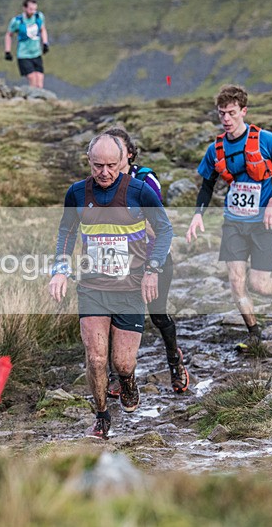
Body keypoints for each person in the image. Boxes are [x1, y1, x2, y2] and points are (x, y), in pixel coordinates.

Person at [49, 134, 173, 440]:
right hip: (92, 288)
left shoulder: (140, 192)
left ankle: (128, 380)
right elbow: (66, 232)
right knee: (95, 357)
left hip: (130, 288)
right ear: (88, 161)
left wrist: (153, 270)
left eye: (111, 166)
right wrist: (61, 270)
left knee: (122, 362)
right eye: (97, 165)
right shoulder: (77, 193)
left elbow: (165, 229)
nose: (104, 172)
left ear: (124, 161)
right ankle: (102, 416)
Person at [186, 85, 272, 351]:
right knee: (236, 281)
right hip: (234, 221)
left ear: (243, 111)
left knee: (258, 284)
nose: (226, 119)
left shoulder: (266, 140)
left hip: (264, 222)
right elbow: (206, 185)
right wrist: (197, 215)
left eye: (231, 113)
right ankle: (254, 334)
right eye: (222, 113)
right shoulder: (216, 149)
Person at [104, 127, 189, 395]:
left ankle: (175, 363)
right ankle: (118, 376)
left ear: (128, 153)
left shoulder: (145, 179)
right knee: (113, 318)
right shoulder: (102, 182)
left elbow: (157, 225)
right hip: (118, 261)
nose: (112, 157)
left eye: (117, 150)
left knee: (159, 315)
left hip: (153, 258)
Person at [4, 0, 49, 89]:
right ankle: (32, 101)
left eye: (35, 9)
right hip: (24, 55)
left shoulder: (38, 17)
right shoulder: (17, 21)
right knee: (33, 80)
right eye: (31, 9)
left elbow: (42, 29)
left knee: (39, 83)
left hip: (36, 53)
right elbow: (9, 34)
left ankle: (39, 102)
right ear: (24, 8)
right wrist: (7, 51)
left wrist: (45, 43)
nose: (33, 12)